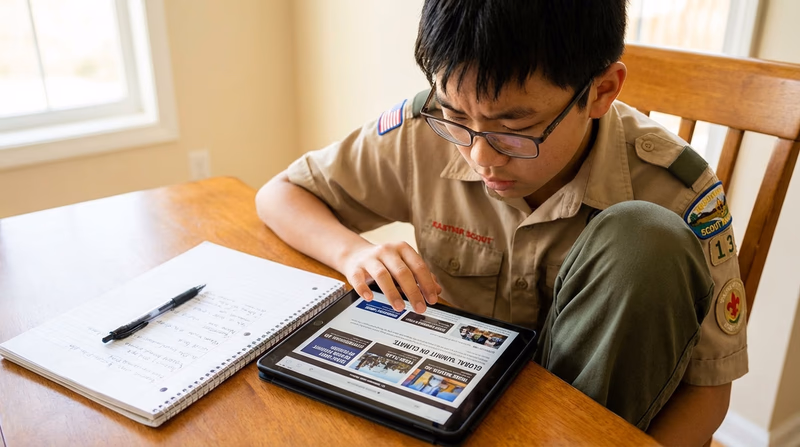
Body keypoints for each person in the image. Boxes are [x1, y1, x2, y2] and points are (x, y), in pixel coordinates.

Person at [256, 1, 747, 444]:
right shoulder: (423, 132)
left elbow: (707, 395)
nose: (480, 156)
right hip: (449, 404)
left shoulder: (678, 191)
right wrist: (354, 251)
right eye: (455, 116)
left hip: (591, 428)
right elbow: (280, 194)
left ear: (601, 92)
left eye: (514, 130)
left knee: (645, 240)